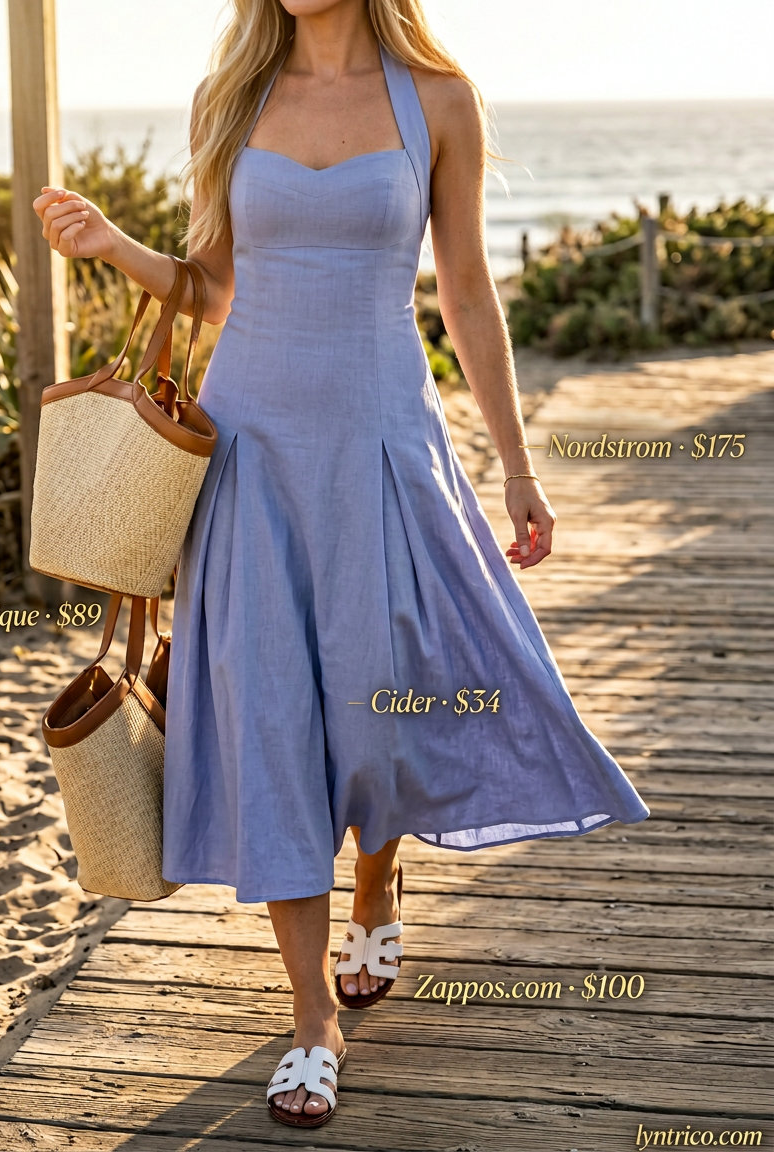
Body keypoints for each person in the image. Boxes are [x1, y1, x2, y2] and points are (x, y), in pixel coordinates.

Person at [33, 0, 650, 1130]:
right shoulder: (233, 98)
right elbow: (215, 288)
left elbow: (463, 290)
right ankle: (312, 1018)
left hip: (380, 446)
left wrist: (515, 467)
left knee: (378, 707)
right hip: (250, 454)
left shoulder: (438, 100)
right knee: (270, 720)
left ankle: (375, 873)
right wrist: (114, 248)